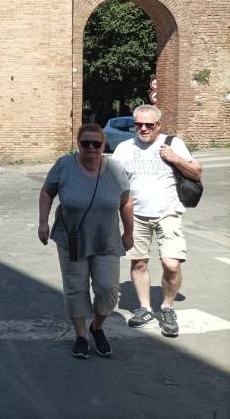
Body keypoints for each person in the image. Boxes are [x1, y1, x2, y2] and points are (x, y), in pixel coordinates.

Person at [39, 123, 134, 359]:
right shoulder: (64, 165)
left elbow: (125, 201)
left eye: (96, 143)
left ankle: (97, 327)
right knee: (75, 289)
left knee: (107, 289)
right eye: (85, 143)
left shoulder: (115, 169)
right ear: (78, 144)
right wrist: (43, 222)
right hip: (72, 238)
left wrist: (129, 232)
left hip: (106, 239)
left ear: (104, 145)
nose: (91, 147)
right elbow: (47, 191)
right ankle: (81, 335)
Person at [111, 104, 202, 337]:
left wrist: (174, 159)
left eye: (148, 125)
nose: (143, 128)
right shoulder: (123, 148)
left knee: (171, 263)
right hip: (136, 214)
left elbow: (196, 173)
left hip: (168, 212)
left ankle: (167, 307)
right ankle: (145, 308)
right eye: (138, 124)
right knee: (139, 263)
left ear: (158, 126)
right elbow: (114, 182)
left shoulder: (173, 144)